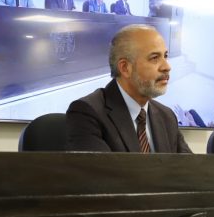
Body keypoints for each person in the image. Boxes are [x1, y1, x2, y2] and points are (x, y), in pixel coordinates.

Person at [66, 24, 191, 153]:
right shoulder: (87, 113)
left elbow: (190, 165)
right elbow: (102, 167)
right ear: (125, 68)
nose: (167, 67)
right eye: (154, 58)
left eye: (165, 56)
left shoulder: (167, 116)